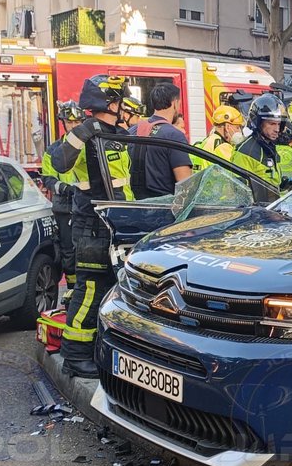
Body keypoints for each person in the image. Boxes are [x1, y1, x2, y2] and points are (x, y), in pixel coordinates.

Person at [47, 75, 134, 378]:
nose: (124, 107)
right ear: (111, 103)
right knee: (89, 291)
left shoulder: (117, 135)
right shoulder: (87, 134)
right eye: (120, 101)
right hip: (92, 226)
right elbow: (59, 162)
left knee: (111, 291)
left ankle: (97, 348)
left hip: (116, 225)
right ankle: (75, 355)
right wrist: (83, 131)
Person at [40, 101, 84, 304]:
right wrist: (64, 188)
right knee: (68, 250)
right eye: (69, 121)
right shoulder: (54, 150)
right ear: (63, 123)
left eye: (77, 121)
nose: (73, 125)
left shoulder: (90, 144)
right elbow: (48, 178)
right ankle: (73, 291)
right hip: (65, 206)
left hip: (86, 204)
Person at [129, 81, 192, 199]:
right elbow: (185, 183)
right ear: (175, 103)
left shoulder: (132, 131)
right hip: (162, 209)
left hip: (134, 206)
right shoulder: (174, 135)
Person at [232, 93, 286, 189]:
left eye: (279, 124)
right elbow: (239, 190)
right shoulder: (246, 151)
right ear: (258, 122)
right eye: (272, 123)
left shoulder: (270, 148)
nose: (277, 129)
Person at [192, 105, 243, 169]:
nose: (239, 131)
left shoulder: (208, 140)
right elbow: (237, 171)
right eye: (237, 127)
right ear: (227, 127)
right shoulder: (222, 146)